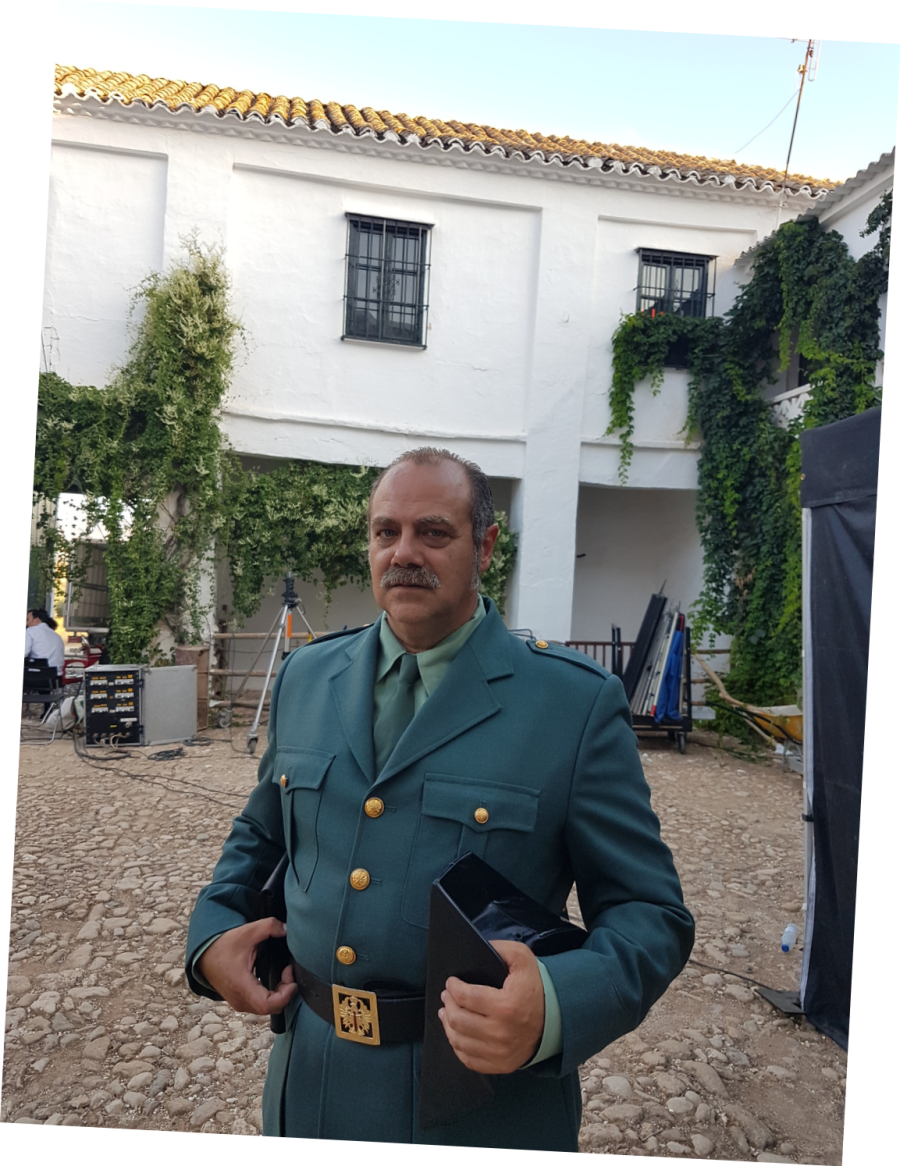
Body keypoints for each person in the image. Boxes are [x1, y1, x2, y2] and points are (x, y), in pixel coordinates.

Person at [186, 448, 693, 1149]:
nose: (404, 553)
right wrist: (212, 934)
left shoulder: (571, 706)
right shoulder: (307, 677)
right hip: (312, 1080)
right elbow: (262, 835)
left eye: (433, 532)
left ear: (484, 547)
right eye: (386, 532)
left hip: (480, 1102)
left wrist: (551, 1007)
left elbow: (650, 914)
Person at [24, 608, 66, 677]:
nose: (26, 623)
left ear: (36, 619)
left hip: (36, 676)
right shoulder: (56, 635)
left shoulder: (30, 631)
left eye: (27, 620)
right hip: (56, 677)